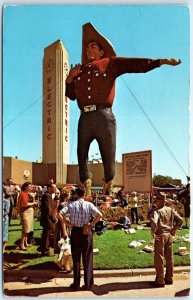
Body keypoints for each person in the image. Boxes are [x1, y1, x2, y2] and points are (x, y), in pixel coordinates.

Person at [65, 22, 181, 196]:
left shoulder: (109, 63)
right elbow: (71, 96)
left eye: (93, 46)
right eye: (87, 47)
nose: (89, 50)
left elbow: (134, 64)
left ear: (101, 51)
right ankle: (86, 190)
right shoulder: (78, 72)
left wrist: (160, 62)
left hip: (104, 115)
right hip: (85, 117)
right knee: (81, 153)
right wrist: (69, 79)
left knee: (108, 154)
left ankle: (108, 188)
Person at [58, 187, 102, 291]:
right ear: (85, 194)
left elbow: (59, 214)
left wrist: (68, 223)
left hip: (76, 232)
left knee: (76, 258)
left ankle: (76, 283)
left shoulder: (71, 205)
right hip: (86, 231)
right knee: (87, 257)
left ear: (76, 194)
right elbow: (100, 215)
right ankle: (88, 284)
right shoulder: (89, 205)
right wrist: (91, 224)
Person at [149, 192, 183, 287]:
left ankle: (160, 280)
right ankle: (169, 278)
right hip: (169, 235)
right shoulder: (170, 209)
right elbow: (180, 220)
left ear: (158, 200)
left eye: (156, 200)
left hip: (160, 235)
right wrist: (174, 229)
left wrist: (153, 233)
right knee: (169, 258)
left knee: (159, 258)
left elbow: (154, 222)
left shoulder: (156, 211)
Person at [17, 181, 37, 250]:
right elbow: (24, 204)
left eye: (31, 186)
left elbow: (31, 202)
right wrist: (33, 203)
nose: (31, 187)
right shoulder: (23, 194)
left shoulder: (28, 194)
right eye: (29, 186)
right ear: (25, 187)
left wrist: (33, 199)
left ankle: (25, 242)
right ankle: (21, 244)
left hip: (29, 212)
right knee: (25, 229)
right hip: (25, 212)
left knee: (27, 229)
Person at [40, 183, 57, 256]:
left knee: (46, 234)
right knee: (47, 235)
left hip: (47, 218)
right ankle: (45, 251)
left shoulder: (48, 196)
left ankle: (44, 249)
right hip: (47, 219)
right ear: (49, 188)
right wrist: (53, 217)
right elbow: (48, 208)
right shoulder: (47, 196)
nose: (55, 189)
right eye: (54, 188)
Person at [3, 188, 11, 253]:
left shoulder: (6, 201)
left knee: (4, 235)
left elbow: (7, 211)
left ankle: (3, 249)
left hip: (4, 220)